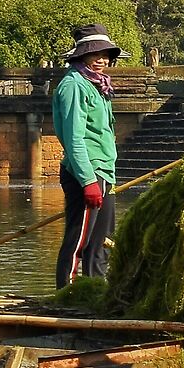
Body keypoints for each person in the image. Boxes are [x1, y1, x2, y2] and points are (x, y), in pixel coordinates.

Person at [51, 25, 121, 289]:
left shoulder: (99, 86)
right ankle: (66, 295)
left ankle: (95, 292)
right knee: (78, 241)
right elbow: (73, 138)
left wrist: (102, 178)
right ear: (81, 56)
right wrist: (88, 181)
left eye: (106, 55)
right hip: (87, 173)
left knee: (102, 242)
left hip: (104, 171)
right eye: (96, 54)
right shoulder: (73, 85)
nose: (102, 60)